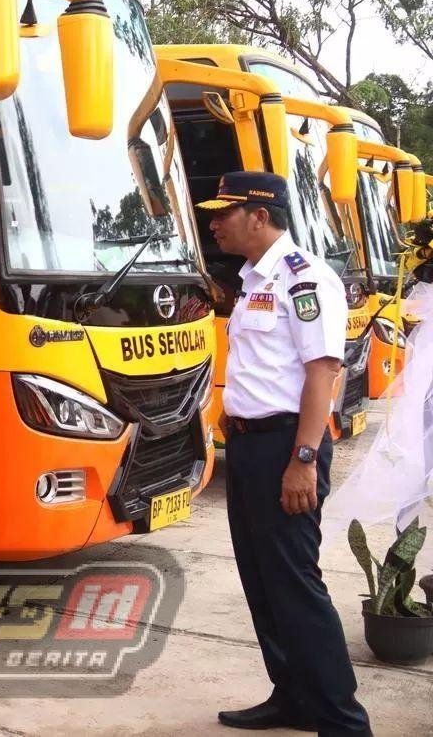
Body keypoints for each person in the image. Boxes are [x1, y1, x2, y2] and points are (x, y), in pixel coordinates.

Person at [197, 172, 371, 736]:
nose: (214, 222)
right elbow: (266, 365)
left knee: (295, 583)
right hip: (249, 444)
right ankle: (292, 695)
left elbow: (323, 371)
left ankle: (343, 721)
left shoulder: (305, 278)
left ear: (260, 214)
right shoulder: (253, 278)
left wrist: (303, 458)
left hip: (286, 447)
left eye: (225, 212)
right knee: (261, 578)